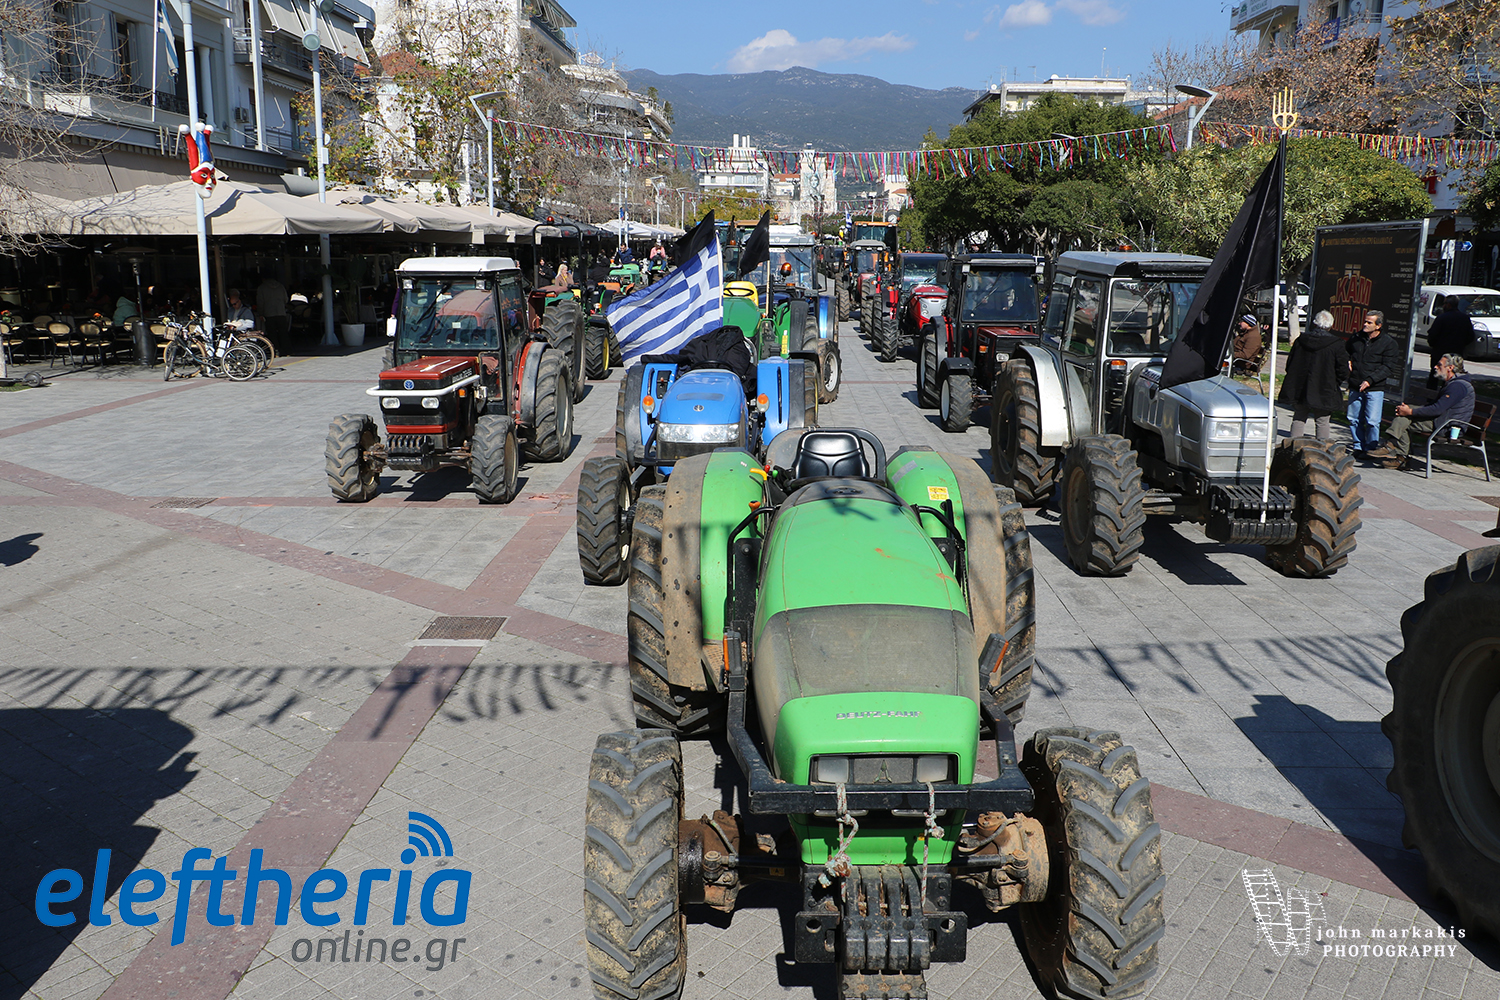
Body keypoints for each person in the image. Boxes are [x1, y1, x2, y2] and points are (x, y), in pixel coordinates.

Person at [1367, 353, 1476, 469]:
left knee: (1403, 419)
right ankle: (1398, 455)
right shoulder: (1454, 383)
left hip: (1448, 427)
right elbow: (1435, 406)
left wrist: (1410, 412)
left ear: (1450, 368)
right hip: (1442, 421)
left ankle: (1394, 450)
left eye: (1439, 365)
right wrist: (1408, 409)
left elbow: (1437, 409)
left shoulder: (1457, 386)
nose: (1435, 367)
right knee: (1403, 419)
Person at [1277, 309, 1348, 440]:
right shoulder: (1337, 344)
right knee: (1322, 420)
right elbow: (1342, 369)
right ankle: (1322, 447)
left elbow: (1290, 363)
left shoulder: (1301, 340)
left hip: (1301, 385)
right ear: (1331, 325)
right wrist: (1335, 382)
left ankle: (1294, 445)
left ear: (1315, 323)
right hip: (1325, 386)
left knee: (1299, 416)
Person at [1346, 309, 1400, 456]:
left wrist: (1370, 380)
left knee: (1372, 421)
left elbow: (1388, 367)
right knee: (1354, 419)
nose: (1365, 324)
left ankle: (1371, 449)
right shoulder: (1356, 338)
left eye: (1369, 322)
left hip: (1375, 388)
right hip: (1355, 385)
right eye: (1365, 321)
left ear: (1378, 326)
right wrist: (1348, 360)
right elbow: (1346, 351)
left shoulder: (1388, 343)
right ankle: (1358, 446)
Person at [1425, 295, 1475, 384]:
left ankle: (1431, 392)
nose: (1443, 306)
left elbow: (1432, 335)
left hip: (1440, 352)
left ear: (1448, 305)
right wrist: (1461, 345)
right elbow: (1470, 336)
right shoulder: (1464, 318)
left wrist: (1434, 345)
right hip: (1456, 353)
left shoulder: (1442, 318)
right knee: (1453, 375)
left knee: (1434, 376)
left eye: (1444, 303)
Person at [256, 272, 289, 351]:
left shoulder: (262, 288)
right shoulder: (281, 286)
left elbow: (260, 302)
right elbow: (286, 299)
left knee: (272, 333)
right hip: (281, 312)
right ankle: (287, 350)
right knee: (283, 332)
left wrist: (260, 313)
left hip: (269, 313)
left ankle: (275, 350)